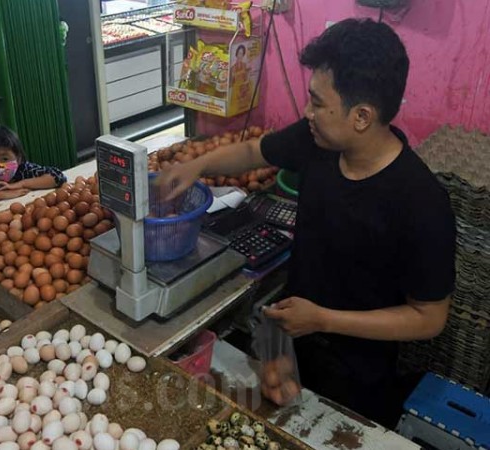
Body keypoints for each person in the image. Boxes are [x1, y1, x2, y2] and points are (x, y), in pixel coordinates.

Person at [159, 18, 455, 428]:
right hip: (291, 343)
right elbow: (252, 152)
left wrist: (323, 319)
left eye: (317, 102)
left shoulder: (420, 202)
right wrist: (196, 165)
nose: (306, 112)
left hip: (356, 378)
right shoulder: (319, 144)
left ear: (362, 116)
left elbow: (429, 316)